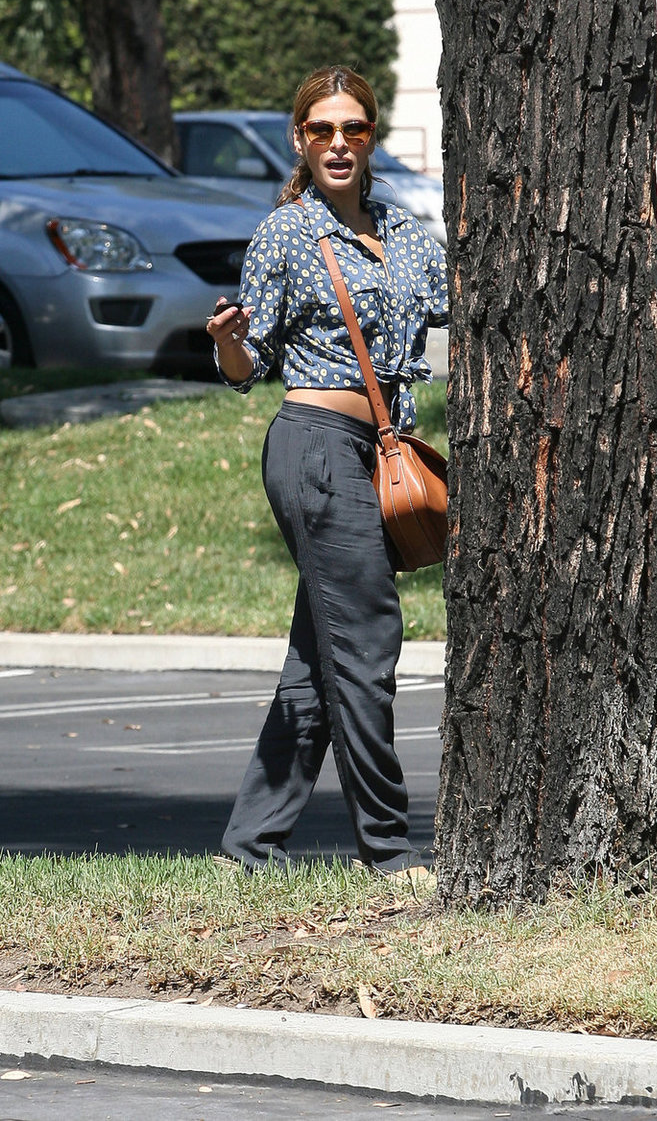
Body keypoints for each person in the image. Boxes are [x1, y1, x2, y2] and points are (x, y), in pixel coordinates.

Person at [205, 65, 447, 881]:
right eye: (321, 131)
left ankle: (248, 848)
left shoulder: (405, 230)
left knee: (321, 654)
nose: (338, 144)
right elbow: (246, 365)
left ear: (371, 136)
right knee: (367, 638)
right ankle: (386, 848)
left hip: (375, 454)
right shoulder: (285, 233)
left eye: (354, 129)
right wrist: (226, 339)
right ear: (299, 140)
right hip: (312, 445)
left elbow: (465, 298)